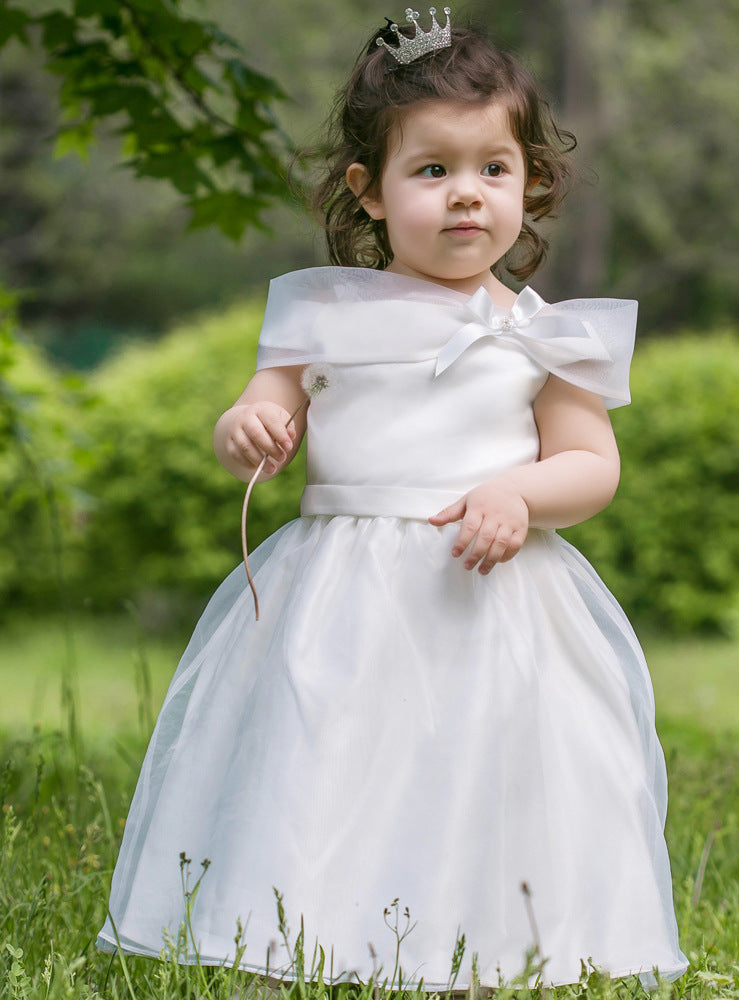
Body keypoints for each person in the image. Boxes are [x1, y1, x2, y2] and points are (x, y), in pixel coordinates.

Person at [97, 9, 688, 991]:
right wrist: (247, 428)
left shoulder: (549, 334)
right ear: (368, 193)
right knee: (328, 753)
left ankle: (495, 934)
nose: (467, 196)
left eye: (492, 169)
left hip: (488, 592)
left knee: (485, 765)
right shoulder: (321, 311)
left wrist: (520, 490)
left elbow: (590, 464)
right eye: (432, 171)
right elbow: (263, 406)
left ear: (529, 181)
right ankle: (311, 924)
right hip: (343, 591)